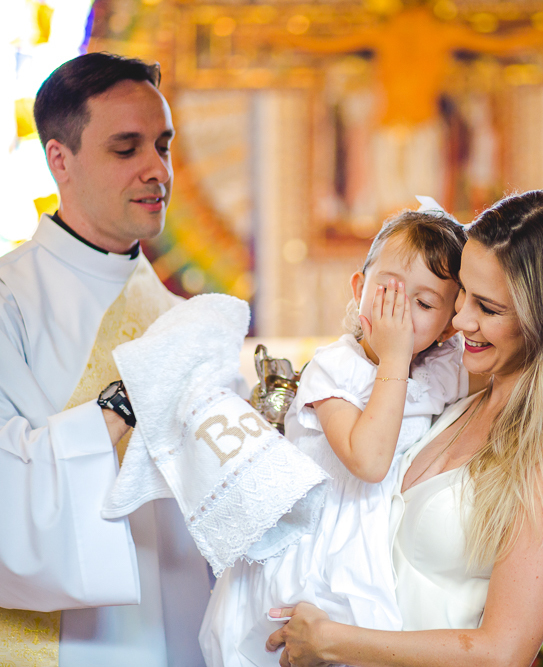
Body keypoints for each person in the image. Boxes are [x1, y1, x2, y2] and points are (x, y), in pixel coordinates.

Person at [0, 53, 220, 666]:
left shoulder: (187, 321)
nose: (158, 170)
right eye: (126, 148)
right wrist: (119, 408)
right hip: (51, 640)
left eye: (163, 146)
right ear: (60, 159)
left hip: (172, 630)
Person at [263, 190, 543, 667]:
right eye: (461, 296)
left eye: (487, 308)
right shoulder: (458, 398)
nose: (460, 319)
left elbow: (502, 654)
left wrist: (331, 640)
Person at [200, 209, 475, 666]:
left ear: (449, 325)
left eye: (424, 304)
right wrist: (394, 359)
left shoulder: (440, 370)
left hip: (382, 547)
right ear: (358, 289)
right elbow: (368, 462)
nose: (398, 313)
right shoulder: (336, 369)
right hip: (318, 551)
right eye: (387, 292)